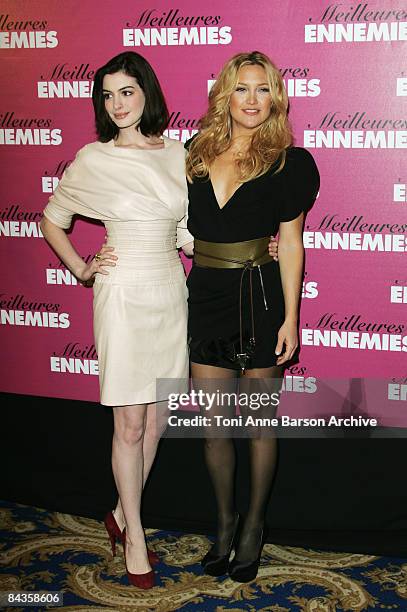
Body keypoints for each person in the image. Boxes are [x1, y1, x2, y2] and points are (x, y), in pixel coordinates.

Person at [40, 51, 194, 589]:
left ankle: (121, 513)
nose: (117, 104)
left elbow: (186, 232)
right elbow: (51, 220)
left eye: (126, 91)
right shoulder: (93, 158)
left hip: (171, 291)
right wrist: (83, 268)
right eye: (107, 95)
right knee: (129, 424)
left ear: (146, 93)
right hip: (123, 294)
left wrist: (243, 247)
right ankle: (135, 537)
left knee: (160, 421)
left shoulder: (178, 154)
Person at [185, 51, 319, 582]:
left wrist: (291, 318)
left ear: (276, 98)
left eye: (263, 90)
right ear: (225, 94)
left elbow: (291, 243)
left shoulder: (289, 163)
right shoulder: (195, 153)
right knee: (215, 427)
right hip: (207, 294)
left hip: (260, 296)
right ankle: (224, 521)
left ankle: (254, 525)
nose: (252, 100)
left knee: (259, 425)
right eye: (242, 89)